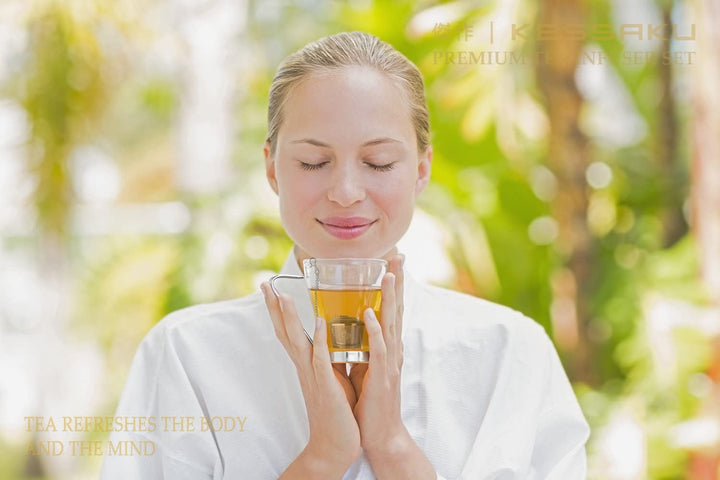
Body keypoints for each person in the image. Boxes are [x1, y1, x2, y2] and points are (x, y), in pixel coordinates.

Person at [99, 31, 590, 479]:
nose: (346, 191)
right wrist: (323, 458)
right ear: (272, 169)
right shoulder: (188, 355)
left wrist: (393, 447)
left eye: (379, 162)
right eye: (314, 161)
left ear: (420, 170)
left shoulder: (509, 355)